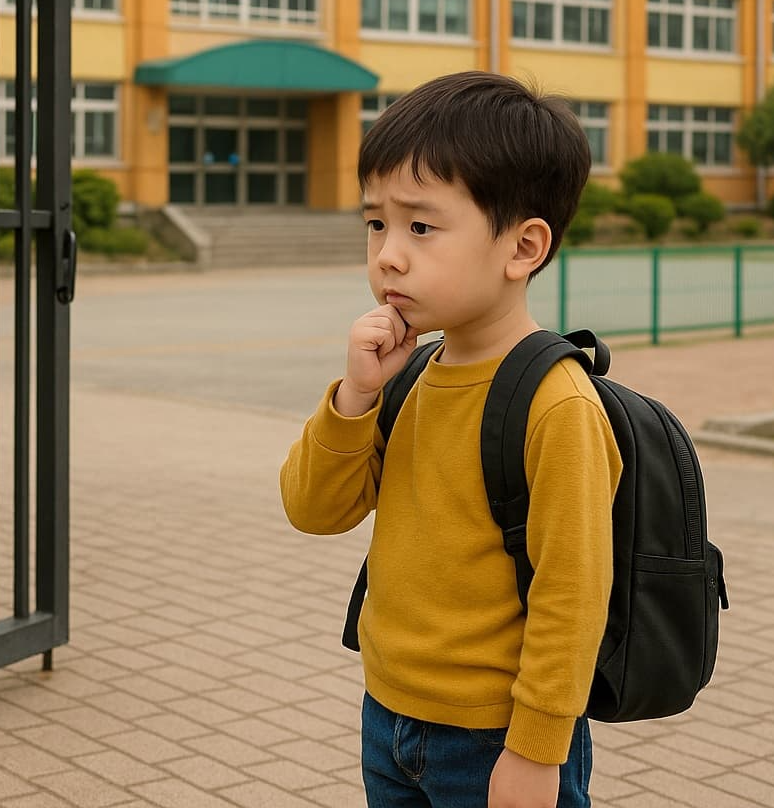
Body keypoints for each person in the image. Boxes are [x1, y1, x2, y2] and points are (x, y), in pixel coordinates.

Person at [278, 71, 623, 808]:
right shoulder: (408, 376)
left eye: (421, 228)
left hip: (496, 737)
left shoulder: (556, 404)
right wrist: (355, 397)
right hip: (388, 714)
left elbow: (573, 595)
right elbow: (313, 509)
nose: (388, 255)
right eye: (376, 224)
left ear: (523, 247)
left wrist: (536, 751)